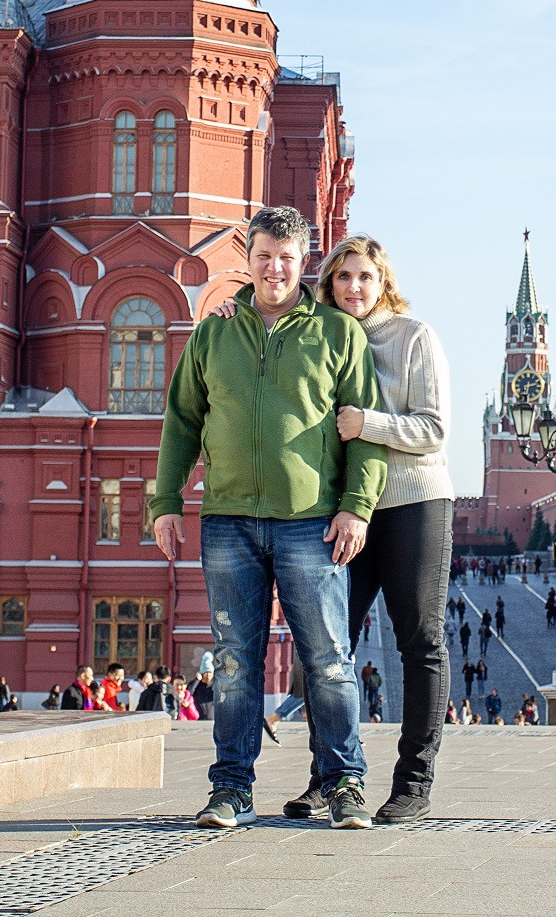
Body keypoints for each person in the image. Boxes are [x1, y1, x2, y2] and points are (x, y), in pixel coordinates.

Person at [151, 206, 388, 832]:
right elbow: (181, 421)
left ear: (304, 262)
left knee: (329, 659)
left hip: (311, 522)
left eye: (287, 258)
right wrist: (165, 502)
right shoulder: (214, 332)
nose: (274, 268)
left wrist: (357, 507)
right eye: (263, 257)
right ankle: (231, 790)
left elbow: (364, 432)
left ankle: (344, 785)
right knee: (233, 661)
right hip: (228, 519)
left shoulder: (339, 334)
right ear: (248, 260)